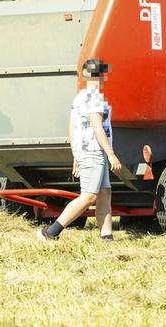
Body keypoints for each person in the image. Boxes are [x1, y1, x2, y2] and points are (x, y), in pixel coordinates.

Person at [37, 59, 122, 241]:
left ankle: (106, 237)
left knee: (104, 194)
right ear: (100, 76)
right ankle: (51, 232)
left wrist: (76, 154)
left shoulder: (79, 98)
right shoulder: (95, 97)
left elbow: (72, 128)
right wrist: (111, 154)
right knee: (89, 196)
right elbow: (97, 127)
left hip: (87, 151)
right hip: (94, 151)